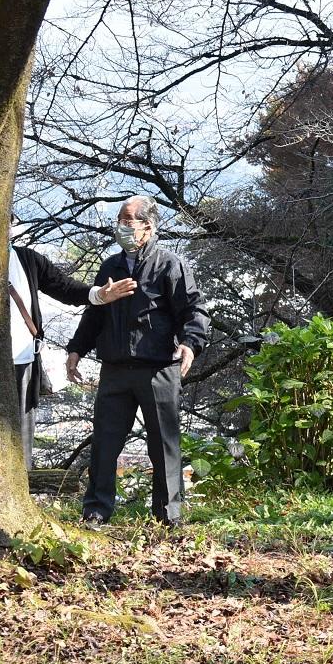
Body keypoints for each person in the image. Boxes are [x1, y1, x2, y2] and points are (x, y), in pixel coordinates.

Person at [66, 196, 210, 527]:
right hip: (115, 369)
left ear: (148, 226)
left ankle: (168, 514)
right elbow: (94, 313)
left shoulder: (170, 264)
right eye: (120, 218)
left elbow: (193, 310)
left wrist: (190, 344)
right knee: (104, 443)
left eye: (128, 219)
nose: (122, 225)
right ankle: (96, 511)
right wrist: (76, 349)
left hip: (158, 369)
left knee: (164, 446)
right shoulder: (110, 267)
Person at [8, 216, 136, 469]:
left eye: (10, 219)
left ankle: (19, 493)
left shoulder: (27, 259)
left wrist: (98, 295)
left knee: (20, 442)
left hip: (21, 361)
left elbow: (64, 287)